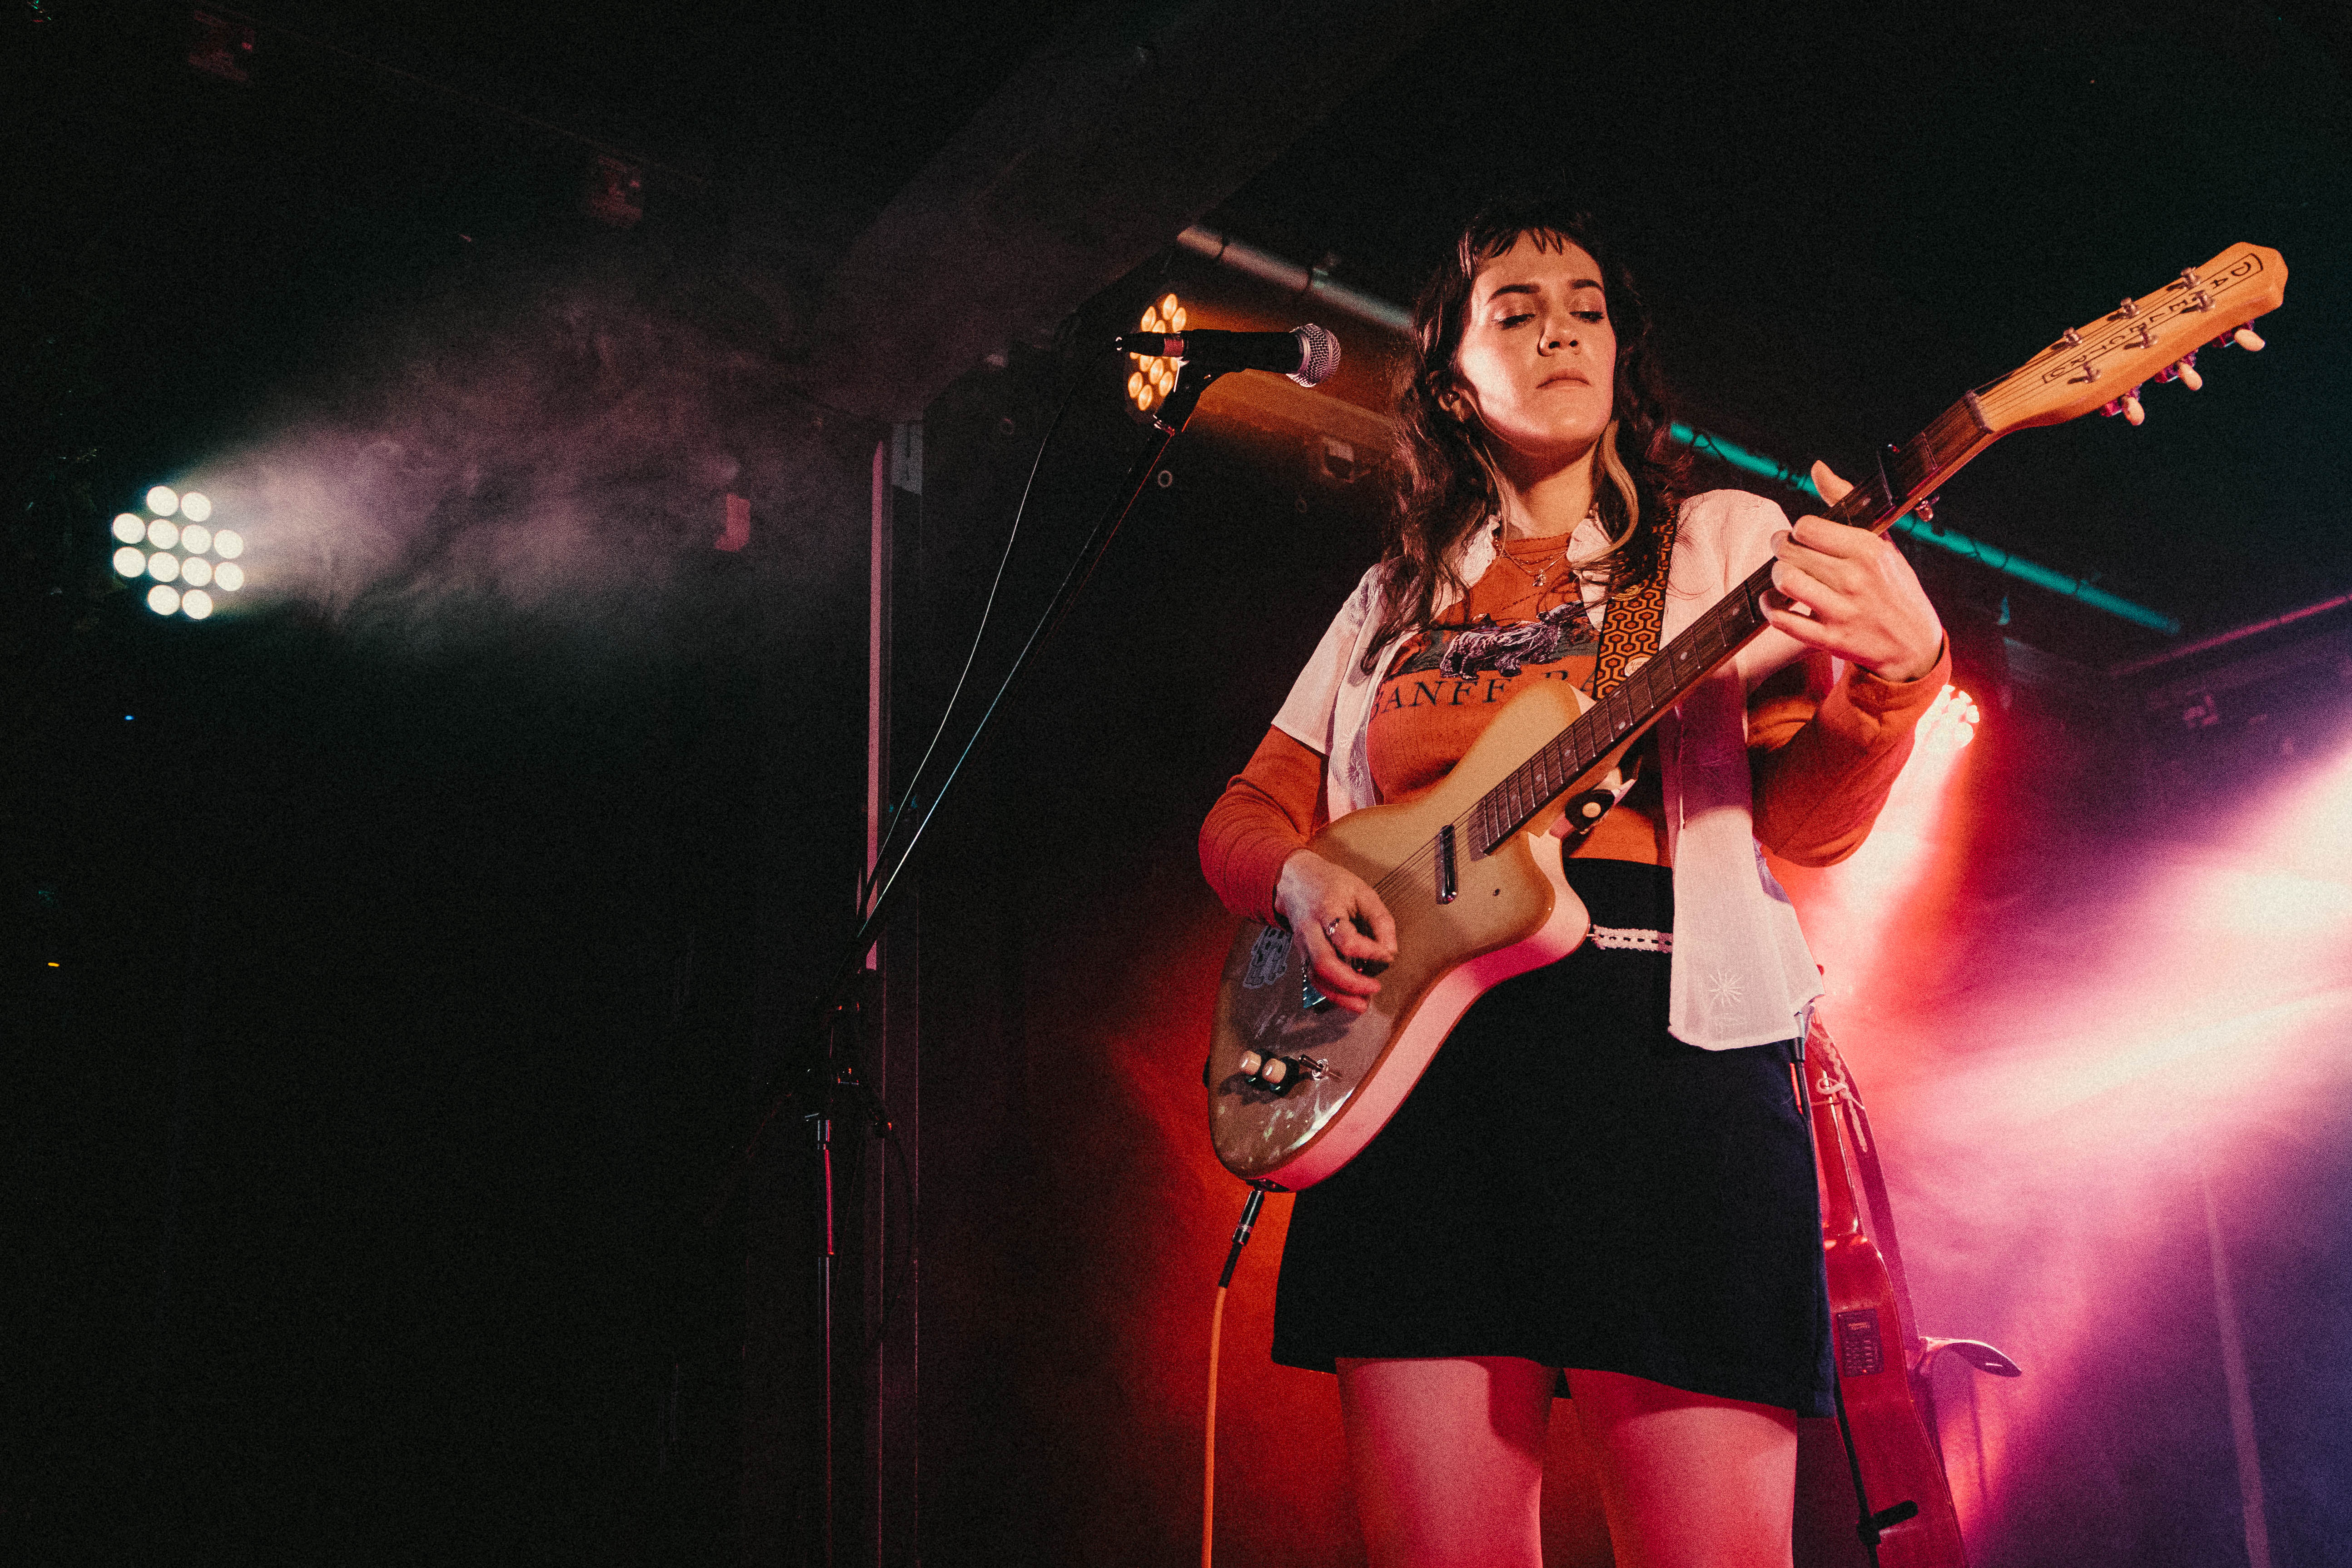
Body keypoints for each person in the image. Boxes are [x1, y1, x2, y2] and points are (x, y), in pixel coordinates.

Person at [1196, 205, 1950, 1568]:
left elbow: (1806, 825)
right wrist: (1302, 876)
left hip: (1656, 1049)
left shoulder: (1718, 540)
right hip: (1408, 1068)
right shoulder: (1394, 593)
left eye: (1588, 304)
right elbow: (1246, 813)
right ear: (1445, 378)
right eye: (1516, 306)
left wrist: (1895, 693)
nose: (1560, 325)